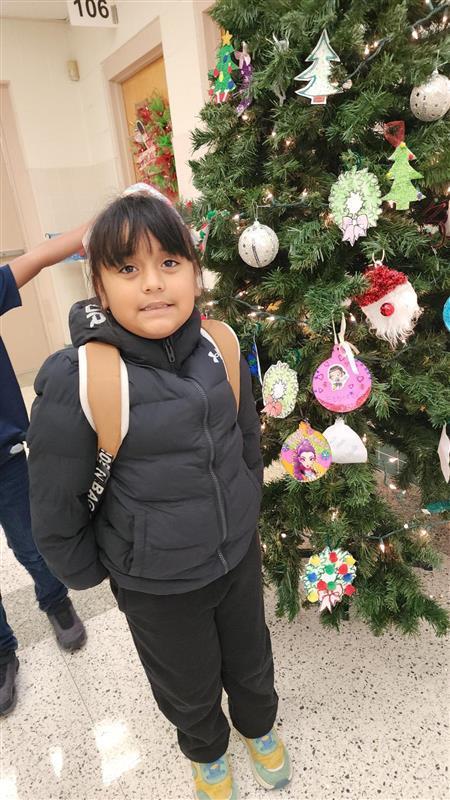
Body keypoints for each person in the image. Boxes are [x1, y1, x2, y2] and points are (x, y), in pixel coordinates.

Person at [27, 187, 292, 799]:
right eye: (128, 268)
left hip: (235, 555)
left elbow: (245, 437)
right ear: (99, 285)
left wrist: (245, 504)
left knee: (251, 657)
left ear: (194, 272)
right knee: (185, 681)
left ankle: (259, 726)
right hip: (156, 582)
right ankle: (207, 752)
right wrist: (101, 570)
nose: (152, 283)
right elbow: (55, 505)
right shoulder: (80, 377)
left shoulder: (220, 344)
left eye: (169, 262)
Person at [0, 226, 89, 717]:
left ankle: (55, 600)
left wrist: (92, 229)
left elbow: (35, 258)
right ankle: (2, 652)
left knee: (33, 544)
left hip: (7, 456)